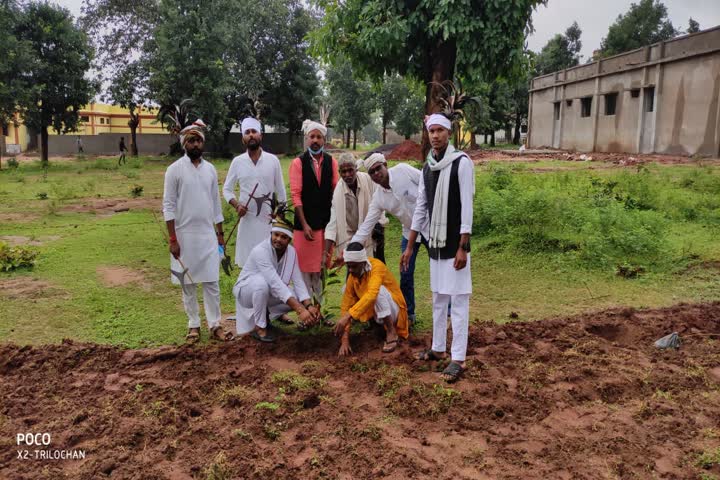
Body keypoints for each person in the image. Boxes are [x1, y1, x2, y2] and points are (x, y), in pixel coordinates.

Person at [401, 114, 475, 383]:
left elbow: (467, 206)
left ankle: (458, 358)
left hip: (454, 245)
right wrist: (410, 245)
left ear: (449, 132)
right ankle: (438, 348)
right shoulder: (427, 167)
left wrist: (463, 248)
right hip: (434, 244)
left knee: (458, 302)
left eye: (440, 130)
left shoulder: (461, 164)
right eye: (431, 131)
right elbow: (421, 207)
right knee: (438, 299)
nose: (435, 135)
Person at [162, 119, 233, 344]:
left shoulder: (210, 169)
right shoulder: (174, 170)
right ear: (184, 144)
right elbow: (168, 206)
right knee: (188, 282)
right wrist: (173, 239)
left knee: (212, 282)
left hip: (207, 236)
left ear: (203, 143)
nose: (195, 144)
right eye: (191, 141)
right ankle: (193, 325)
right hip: (183, 236)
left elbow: (215, 204)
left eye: (198, 140)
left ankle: (215, 325)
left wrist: (220, 235)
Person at [350, 153, 429, 325]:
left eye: (378, 168)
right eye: (372, 172)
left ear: (385, 164)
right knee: (405, 273)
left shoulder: (403, 171)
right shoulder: (379, 197)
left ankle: (449, 312)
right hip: (409, 233)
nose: (376, 173)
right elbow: (366, 225)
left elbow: (428, 182)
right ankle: (408, 314)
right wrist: (351, 248)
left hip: (431, 227)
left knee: (440, 270)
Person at [233, 219, 320, 343]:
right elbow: (275, 283)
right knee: (262, 283)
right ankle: (260, 327)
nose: (278, 239)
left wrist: (308, 306)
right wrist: (300, 310)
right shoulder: (261, 251)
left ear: (289, 240)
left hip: (268, 291)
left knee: (298, 295)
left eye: (284, 237)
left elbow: (298, 281)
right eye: (276, 235)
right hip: (246, 292)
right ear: (271, 234)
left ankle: (266, 319)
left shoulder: (291, 252)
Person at [223, 117, 287, 267]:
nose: (251, 135)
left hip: (268, 224)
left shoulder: (273, 161)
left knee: (269, 266)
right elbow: (227, 189)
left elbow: (281, 191)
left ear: (261, 136)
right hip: (247, 223)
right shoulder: (237, 162)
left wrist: (280, 217)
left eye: (254, 131)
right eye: (247, 132)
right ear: (243, 138)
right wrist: (237, 205)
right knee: (247, 266)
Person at [288, 119, 338, 299]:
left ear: (324, 140)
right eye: (312, 137)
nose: (315, 140)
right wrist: (305, 223)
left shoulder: (332, 162)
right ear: (307, 139)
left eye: (319, 137)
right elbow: (296, 195)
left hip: (325, 225)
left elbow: (336, 191)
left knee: (321, 269)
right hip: (304, 226)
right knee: (304, 272)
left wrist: (335, 223)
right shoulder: (298, 163)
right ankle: (307, 312)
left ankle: (320, 312)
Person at [334, 242, 409, 356]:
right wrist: (345, 340)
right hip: (376, 313)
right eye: (348, 266)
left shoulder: (377, 267)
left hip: (395, 311)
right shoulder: (352, 275)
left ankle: (391, 331)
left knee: (378, 292)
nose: (350, 270)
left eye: (354, 266)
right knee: (346, 289)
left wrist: (348, 316)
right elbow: (346, 305)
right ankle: (376, 325)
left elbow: (372, 294)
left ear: (363, 263)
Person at [323, 152, 386, 268]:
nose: (347, 175)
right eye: (343, 171)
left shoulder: (368, 179)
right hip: (351, 238)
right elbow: (333, 222)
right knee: (354, 274)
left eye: (350, 170)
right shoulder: (338, 192)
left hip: (374, 234)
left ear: (356, 169)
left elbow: (381, 202)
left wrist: (379, 224)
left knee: (378, 272)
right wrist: (325, 254)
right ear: (339, 173)